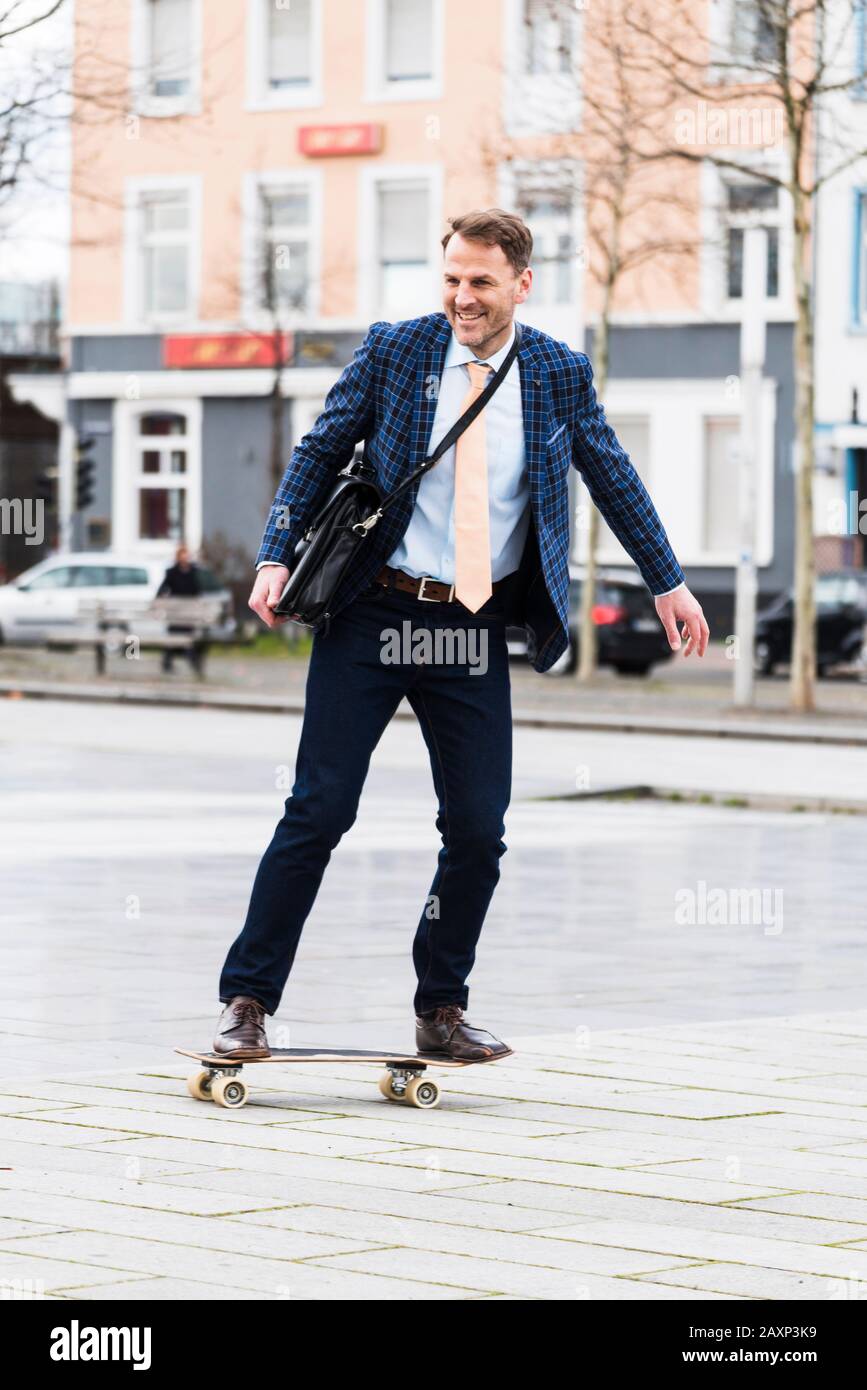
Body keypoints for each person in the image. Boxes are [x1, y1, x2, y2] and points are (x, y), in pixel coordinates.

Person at [215, 208, 709, 1062]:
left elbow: (611, 473)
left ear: (521, 283)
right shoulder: (396, 349)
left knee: (478, 828)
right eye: (450, 277)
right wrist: (271, 554)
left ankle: (440, 1008)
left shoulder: (556, 372)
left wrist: (666, 578)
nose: (461, 296)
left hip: (471, 627)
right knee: (319, 810)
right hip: (373, 611)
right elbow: (319, 450)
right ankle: (247, 1000)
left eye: (480, 281)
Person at [157, 544, 201, 675]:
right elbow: (163, 588)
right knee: (173, 637)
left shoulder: (193, 571)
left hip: (188, 611)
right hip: (175, 611)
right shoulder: (172, 572)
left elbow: (197, 590)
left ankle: (192, 661)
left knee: (188, 637)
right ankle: (167, 662)